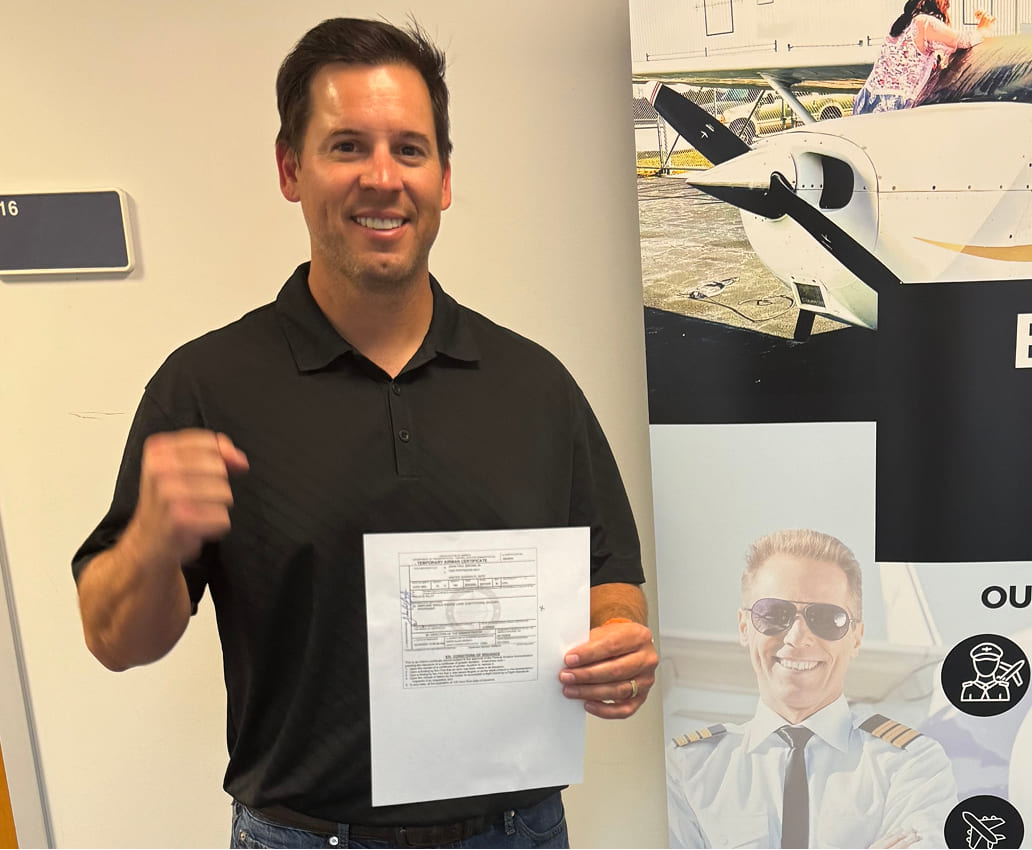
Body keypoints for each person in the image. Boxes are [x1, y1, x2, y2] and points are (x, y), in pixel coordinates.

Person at [70, 17, 657, 850]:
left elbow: (611, 581)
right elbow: (113, 642)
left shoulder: (535, 385)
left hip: (518, 831)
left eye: (410, 150)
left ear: (444, 179)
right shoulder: (206, 386)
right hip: (304, 836)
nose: (383, 178)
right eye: (347, 146)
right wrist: (149, 546)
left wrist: (617, 648)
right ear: (290, 169)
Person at [666, 530, 956, 848]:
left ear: (856, 637)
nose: (797, 636)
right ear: (744, 627)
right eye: (775, 614)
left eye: (827, 618)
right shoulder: (687, 767)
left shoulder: (911, 762)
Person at [854, 1, 994, 115]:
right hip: (892, 105)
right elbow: (963, 41)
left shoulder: (901, 23)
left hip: (868, 99)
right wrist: (983, 27)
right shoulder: (924, 23)